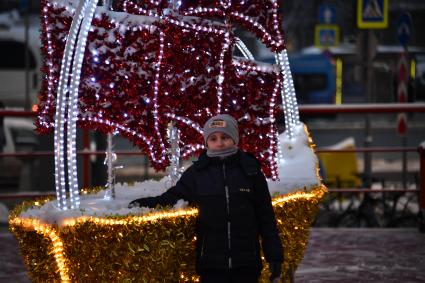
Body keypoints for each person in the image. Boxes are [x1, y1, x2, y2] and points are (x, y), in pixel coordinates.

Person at [129, 114, 283, 282]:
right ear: (206, 142)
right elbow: (173, 197)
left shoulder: (250, 170)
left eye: (225, 137)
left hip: (247, 263)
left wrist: (274, 255)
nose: (219, 143)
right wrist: (146, 203)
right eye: (213, 138)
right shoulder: (197, 173)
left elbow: (265, 215)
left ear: (235, 139)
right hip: (211, 264)